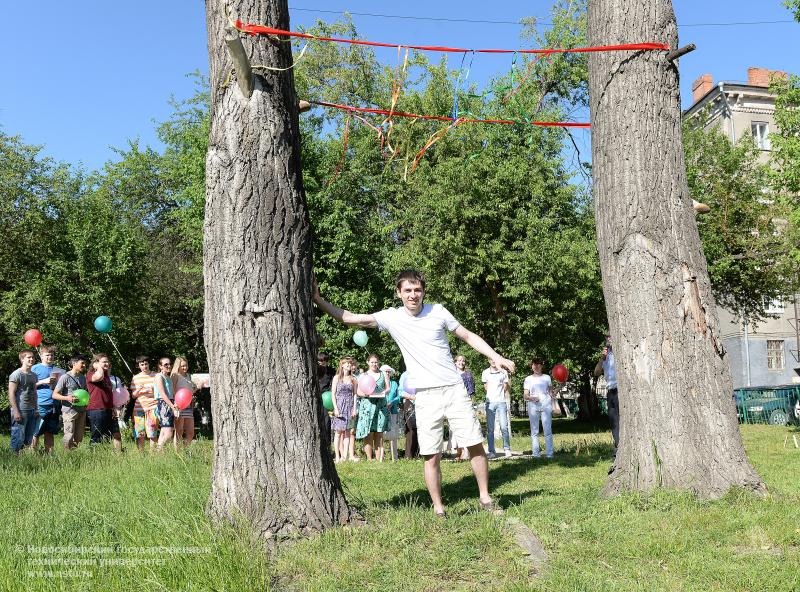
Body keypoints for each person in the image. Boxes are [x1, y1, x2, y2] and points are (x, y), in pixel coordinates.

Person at [314, 269, 515, 516]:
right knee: (431, 455)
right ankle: (439, 508)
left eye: (417, 290)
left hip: (454, 389)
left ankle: (485, 498)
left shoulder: (438, 311)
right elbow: (350, 318)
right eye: (408, 290)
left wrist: (496, 356)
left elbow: (467, 335)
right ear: (399, 293)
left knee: (475, 444)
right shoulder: (392, 317)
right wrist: (318, 300)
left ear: (423, 292)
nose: (413, 295)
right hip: (425, 396)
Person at [355, 354, 390, 461]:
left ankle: (379, 459)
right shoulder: (363, 375)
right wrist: (367, 394)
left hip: (381, 405)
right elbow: (358, 391)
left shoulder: (383, 374)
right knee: (368, 433)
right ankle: (370, 459)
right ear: (368, 362)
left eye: (376, 362)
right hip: (367, 406)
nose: (374, 364)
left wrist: (384, 392)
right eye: (372, 362)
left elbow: (388, 388)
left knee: (379, 432)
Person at [31, 345, 65, 453]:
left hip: (54, 404)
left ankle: (49, 456)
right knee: (36, 431)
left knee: (50, 431)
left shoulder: (58, 370)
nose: (50, 357)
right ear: (41, 356)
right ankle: (32, 455)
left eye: (52, 355)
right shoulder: (34, 368)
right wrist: (43, 381)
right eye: (47, 355)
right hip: (40, 403)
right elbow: (28, 386)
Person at [86, 353, 122, 451]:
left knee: (115, 434)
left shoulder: (106, 375)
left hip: (109, 409)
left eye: (107, 361)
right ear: (96, 363)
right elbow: (98, 377)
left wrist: (113, 407)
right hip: (97, 409)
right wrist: (98, 367)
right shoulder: (91, 373)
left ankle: (119, 456)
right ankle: (94, 457)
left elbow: (109, 394)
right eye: (104, 362)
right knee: (97, 436)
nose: (107, 364)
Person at [52, 354, 88, 450]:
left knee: (79, 437)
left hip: (81, 410)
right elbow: (54, 395)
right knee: (68, 435)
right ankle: (66, 455)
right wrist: (67, 398)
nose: (84, 365)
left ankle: (74, 456)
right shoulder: (65, 377)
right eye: (82, 363)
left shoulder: (83, 377)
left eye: (85, 363)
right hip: (69, 411)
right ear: (74, 363)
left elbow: (84, 393)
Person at [8, 349, 39, 454]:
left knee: (28, 438)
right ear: (22, 359)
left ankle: (22, 461)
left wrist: (36, 408)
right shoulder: (16, 374)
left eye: (33, 357)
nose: (31, 359)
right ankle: (13, 460)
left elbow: (34, 393)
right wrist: (16, 411)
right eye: (28, 357)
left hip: (31, 410)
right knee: (17, 437)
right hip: (20, 410)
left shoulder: (34, 375)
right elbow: (11, 393)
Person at [523, 358, 554, 459]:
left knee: (547, 429)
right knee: (534, 430)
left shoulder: (547, 378)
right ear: (531, 366)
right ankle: (536, 454)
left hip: (546, 404)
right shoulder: (528, 379)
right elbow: (525, 395)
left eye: (538, 365)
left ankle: (550, 454)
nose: (536, 367)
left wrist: (560, 386)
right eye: (534, 365)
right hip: (533, 405)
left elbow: (551, 393)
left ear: (541, 366)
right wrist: (532, 398)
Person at [594, 334, 619, 459]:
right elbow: (597, 372)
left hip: (621, 389)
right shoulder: (606, 355)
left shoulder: (620, 351)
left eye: (610, 336)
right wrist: (602, 358)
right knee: (614, 421)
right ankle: (617, 449)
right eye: (607, 337)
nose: (608, 339)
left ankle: (620, 449)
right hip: (610, 391)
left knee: (621, 421)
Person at [482, 359, 512, 459]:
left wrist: (499, 395)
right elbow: (485, 386)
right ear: (488, 360)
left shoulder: (504, 372)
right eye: (491, 359)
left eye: (495, 359)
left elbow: (505, 386)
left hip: (501, 402)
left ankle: (507, 449)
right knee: (490, 429)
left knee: (504, 427)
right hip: (490, 403)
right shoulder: (485, 372)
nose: (493, 361)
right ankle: (491, 451)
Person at [330, 357, 358, 463]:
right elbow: (333, 394)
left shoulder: (353, 379)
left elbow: (355, 394)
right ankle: (337, 456)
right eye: (347, 363)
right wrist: (336, 408)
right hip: (339, 405)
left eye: (350, 363)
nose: (349, 365)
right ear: (342, 365)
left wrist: (354, 408)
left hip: (349, 406)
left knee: (347, 432)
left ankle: (344, 456)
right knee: (338, 432)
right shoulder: (337, 378)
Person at [130, 356, 158, 451]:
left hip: (153, 407)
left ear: (149, 364)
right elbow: (133, 395)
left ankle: (153, 455)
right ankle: (141, 455)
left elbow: (160, 391)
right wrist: (139, 390)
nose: (144, 366)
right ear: (139, 366)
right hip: (139, 408)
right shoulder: (136, 378)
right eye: (142, 364)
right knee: (139, 433)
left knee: (152, 432)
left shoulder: (156, 375)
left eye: (146, 364)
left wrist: (153, 390)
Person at [452, 355, 475, 460]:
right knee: (455, 428)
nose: (461, 362)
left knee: (465, 426)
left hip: (464, 401)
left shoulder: (468, 374)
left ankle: (466, 451)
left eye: (463, 361)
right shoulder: (451, 373)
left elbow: (471, 390)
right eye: (459, 360)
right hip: (453, 402)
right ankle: (458, 452)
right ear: (455, 362)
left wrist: (470, 402)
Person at [171, 356, 198, 448]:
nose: (185, 368)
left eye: (186, 365)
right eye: (182, 366)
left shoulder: (188, 376)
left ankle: (185, 450)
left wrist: (196, 388)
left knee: (191, 432)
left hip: (188, 406)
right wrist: (175, 405)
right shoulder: (175, 375)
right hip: (179, 406)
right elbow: (173, 390)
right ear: (178, 366)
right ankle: (177, 453)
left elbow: (189, 392)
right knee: (179, 431)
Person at [153, 357, 179, 452]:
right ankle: (157, 451)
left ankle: (158, 456)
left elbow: (172, 393)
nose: (169, 366)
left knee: (164, 432)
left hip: (170, 403)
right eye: (165, 364)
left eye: (169, 364)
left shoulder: (168, 377)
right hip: (164, 404)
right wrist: (172, 407)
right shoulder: (159, 376)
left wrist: (175, 404)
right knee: (169, 434)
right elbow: (162, 394)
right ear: (160, 366)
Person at [382, 365, 400, 462]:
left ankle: (395, 457)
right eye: (385, 371)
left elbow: (398, 397)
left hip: (392, 411)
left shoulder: (394, 383)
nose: (387, 373)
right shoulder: (380, 383)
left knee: (393, 434)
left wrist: (392, 402)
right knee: (381, 434)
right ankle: (381, 457)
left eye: (389, 371)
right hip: (382, 411)